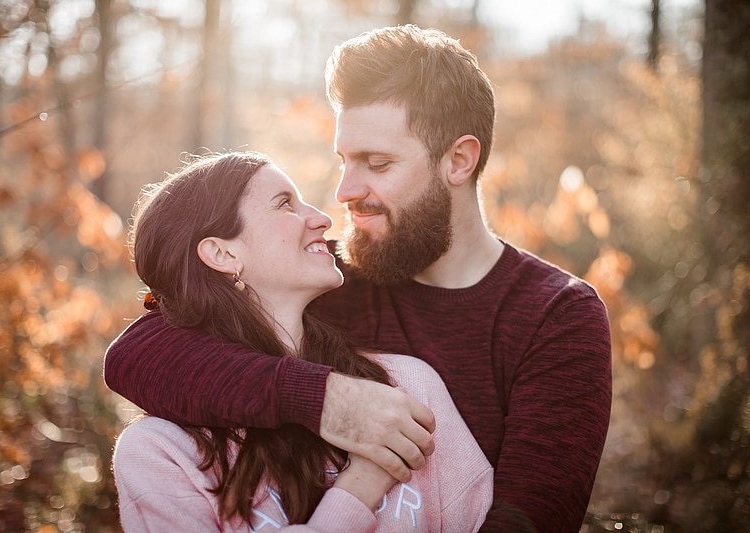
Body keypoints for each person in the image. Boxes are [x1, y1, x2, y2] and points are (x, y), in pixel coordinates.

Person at [105, 25, 612, 532]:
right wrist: (322, 398)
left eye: (377, 163)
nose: (344, 191)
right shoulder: (326, 281)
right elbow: (135, 357)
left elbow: (529, 522)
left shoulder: (557, 315)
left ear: (459, 161)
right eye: (344, 161)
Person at [111, 151, 493, 532]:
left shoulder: (407, 388)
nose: (324, 219)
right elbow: (125, 356)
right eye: (284, 204)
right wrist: (359, 490)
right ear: (222, 252)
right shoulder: (161, 453)